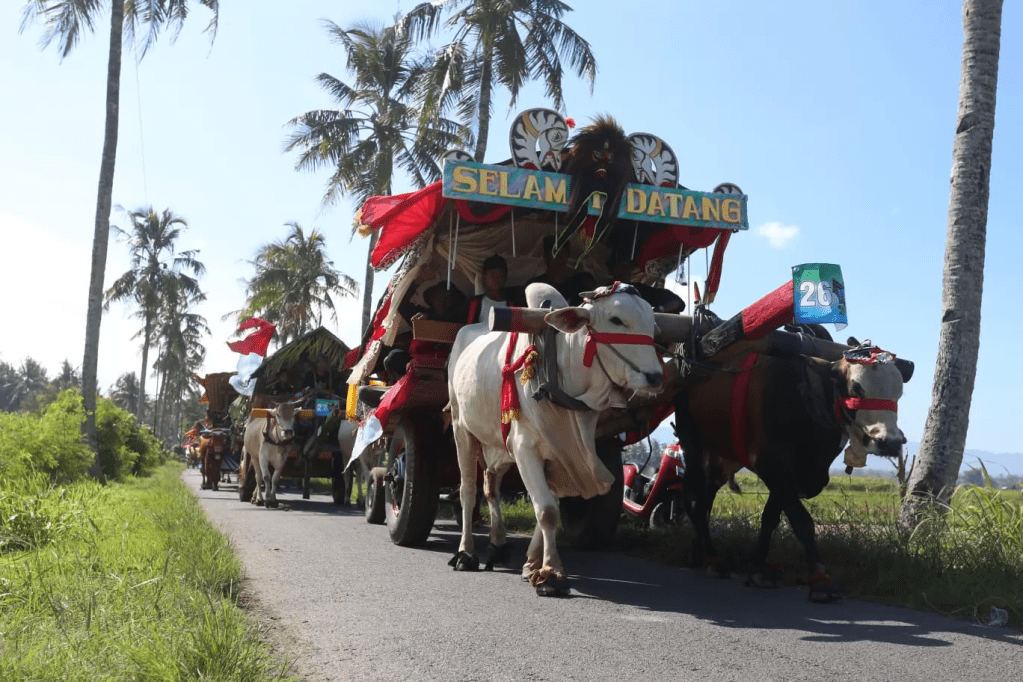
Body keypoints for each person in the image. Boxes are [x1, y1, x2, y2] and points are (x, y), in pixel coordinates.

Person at [467, 255, 512, 324]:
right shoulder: (476, 303)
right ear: (484, 278)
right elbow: (469, 328)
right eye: (492, 274)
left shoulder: (511, 306)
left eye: (500, 275)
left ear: (505, 278)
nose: (496, 279)